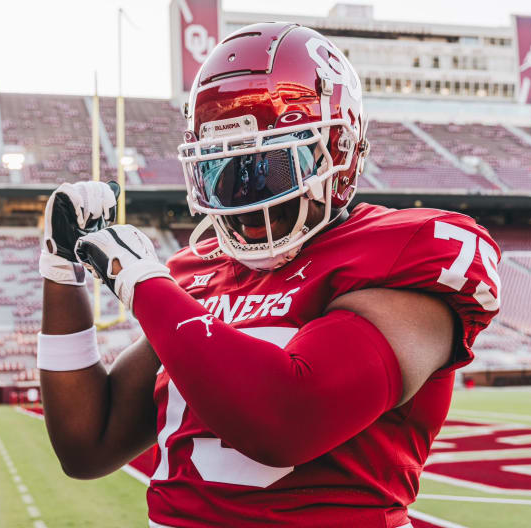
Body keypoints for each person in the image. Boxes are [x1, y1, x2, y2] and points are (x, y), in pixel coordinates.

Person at [38, 23, 501, 528]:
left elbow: (287, 420)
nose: (242, 202)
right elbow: (89, 443)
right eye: (221, 173)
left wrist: (145, 284)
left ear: (338, 152)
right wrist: (62, 274)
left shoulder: (399, 252)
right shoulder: (198, 274)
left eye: (268, 167)